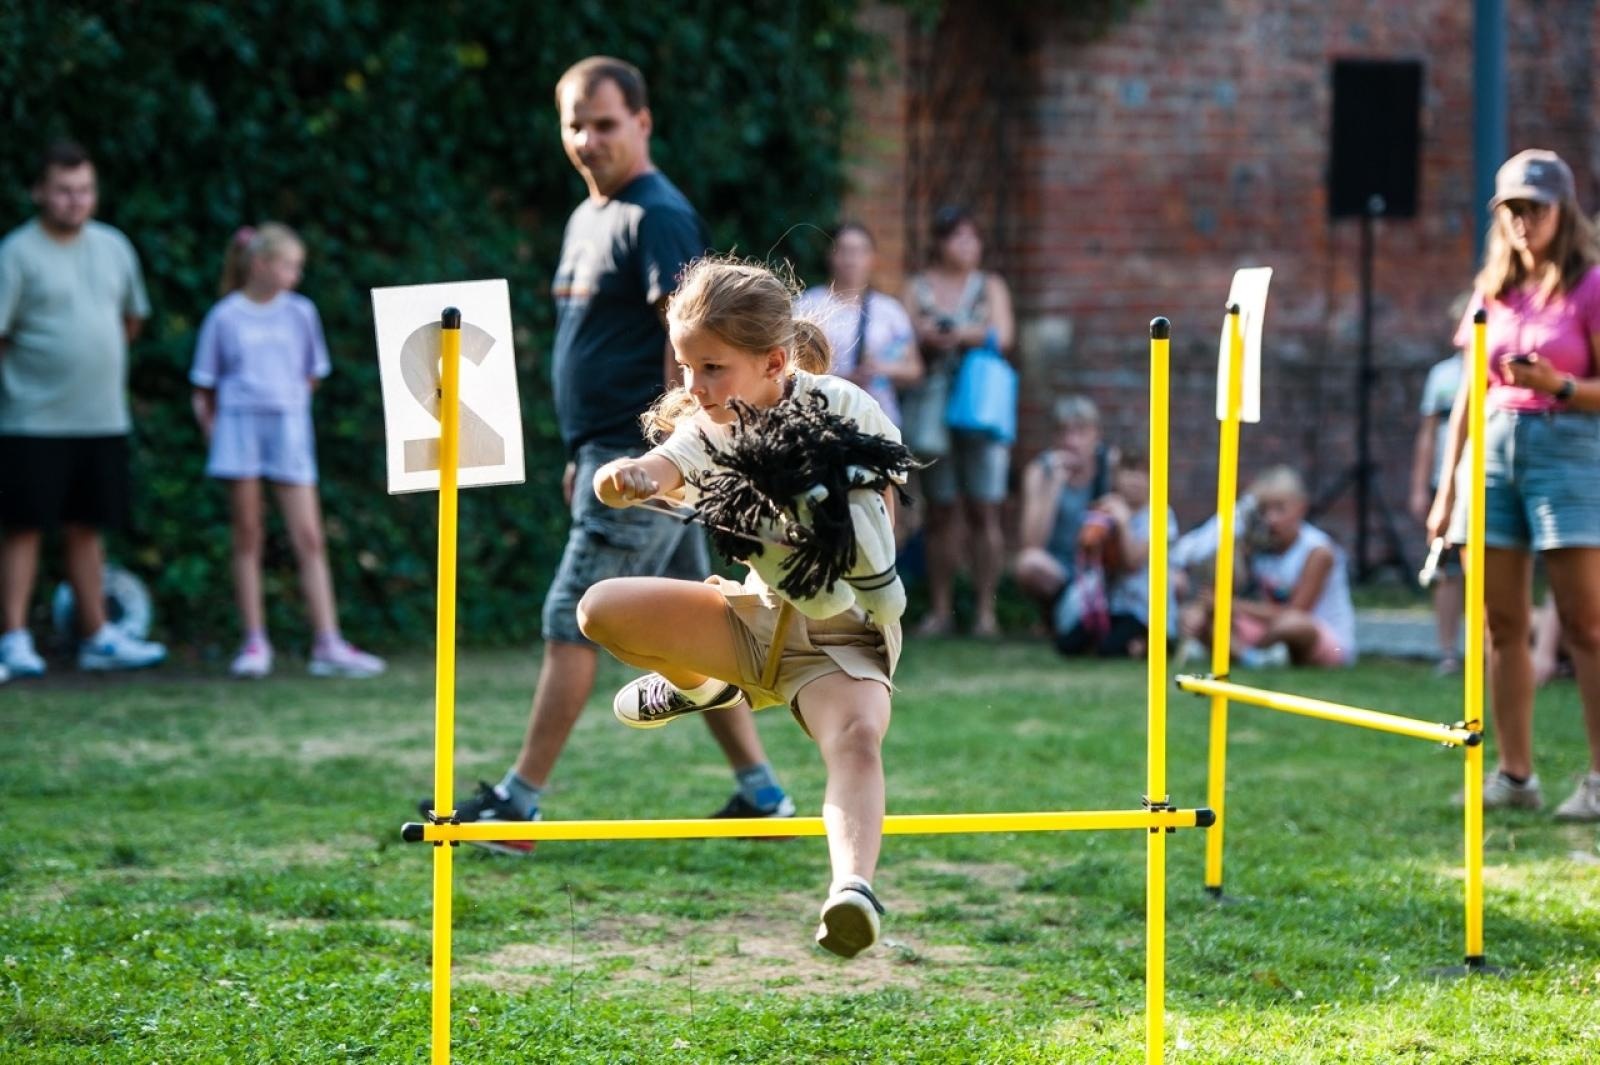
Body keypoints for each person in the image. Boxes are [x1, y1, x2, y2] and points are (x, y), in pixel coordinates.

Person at [426, 57, 793, 850]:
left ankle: (518, 807)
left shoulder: (656, 214)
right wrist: (576, 449)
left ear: (643, 123)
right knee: (701, 624)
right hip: (603, 449)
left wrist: (676, 456)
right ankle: (762, 794)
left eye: (605, 124)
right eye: (575, 125)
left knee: (573, 616)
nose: (588, 141)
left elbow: (688, 345)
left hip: (643, 460)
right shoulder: (588, 216)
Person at [578, 257, 902, 958]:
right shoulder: (708, 423)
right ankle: (710, 684)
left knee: (855, 742)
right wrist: (629, 478)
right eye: (685, 367)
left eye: (712, 368)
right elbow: (665, 465)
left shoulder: (843, 409)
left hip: (842, 637)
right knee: (600, 608)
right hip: (755, 622)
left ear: (775, 361)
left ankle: (852, 890)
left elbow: (882, 528)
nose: (694, 387)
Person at [1426, 148, 1600, 820]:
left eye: (1536, 208)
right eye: (1512, 210)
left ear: (1563, 210)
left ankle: (1597, 778)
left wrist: (1554, 384)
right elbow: (1469, 391)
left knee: (1586, 623)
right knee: (1501, 624)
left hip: (1569, 450)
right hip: (1492, 455)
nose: (1524, 221)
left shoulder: (1589, 286)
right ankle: (1515, 774)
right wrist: (1447, 489)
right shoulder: (1492, 288)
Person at [189, 223, 385, 679]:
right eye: (289, 264)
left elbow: (310, 374)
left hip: (289, 431)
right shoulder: (225, 316)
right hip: (238, 430)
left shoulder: (301, 313)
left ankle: (328, 643)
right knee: (248, 535)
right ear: (261, 265)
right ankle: (255, 642)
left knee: (310, 537)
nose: (296, 274)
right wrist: (216, 434)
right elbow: (205, 389)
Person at [0, 140, 166, 676]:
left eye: (85, 190)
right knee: (23, 527)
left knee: (87, 526)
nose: (76, 200)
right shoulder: (15, 253)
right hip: (30, 420)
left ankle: (98, 635)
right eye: (64, 191)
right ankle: (13, 640)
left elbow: (130, 321)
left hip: (100, 418)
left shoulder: (115, 247)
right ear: (39, 193)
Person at [905, 206, 1015, 638]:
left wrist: (962, 334)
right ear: (940, 242)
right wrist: (931, 336)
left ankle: (987, 612)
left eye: (973, 238)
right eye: (958, 238)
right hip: (933, 404)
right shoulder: (917, 287)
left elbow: (1003, 336)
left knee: (985, 508)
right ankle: (941, 609)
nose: (967, 246)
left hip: (980, 405)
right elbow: (906, 332)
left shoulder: (991, 285)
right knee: (940, 509)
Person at [1180, 466, 1356, 669]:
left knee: (1293, 624)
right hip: (1267, 629)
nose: (1271, 518)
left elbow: (1295, 611)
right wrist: (1201, 610)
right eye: (1264, 510)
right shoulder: (1258, 544)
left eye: (1280, 509)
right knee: (1193, 615)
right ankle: (1253, 658)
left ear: (1301, 507)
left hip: (1321, 638)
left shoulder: (1319, 551)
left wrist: (1227, 604)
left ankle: (1246, 653)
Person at [1054, 449, 1178, 659]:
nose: (1135, 480)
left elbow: (1132, 562)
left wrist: (1122, 521)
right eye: (1129, 472)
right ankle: (1130, 645)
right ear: (1117, 477)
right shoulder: (1107, 508)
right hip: (1112, 604)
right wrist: (1095, 529)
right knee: (1068, 644)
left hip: (1145, 611)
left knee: (1108, 650)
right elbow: (1085, 553)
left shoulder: (1162, 515)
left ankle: (1152, 644)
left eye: (1143, 474)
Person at [794, 221, 921, 428]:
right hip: (822, 415)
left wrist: (882, 369)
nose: (852, 259)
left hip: (878, 416)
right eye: (844, 250)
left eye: (860, 251)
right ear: (831, 256)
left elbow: (914, 368)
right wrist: (841, 378)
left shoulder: (890, 310)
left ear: (872, 258)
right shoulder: (808, 304)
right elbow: (792, 367)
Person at [1014, 395, 1115, 623]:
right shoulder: (1041, 471)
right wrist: (1054, 487)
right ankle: (1059, 618)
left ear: (1095, 434)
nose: (1071, 441)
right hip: (1059, 569)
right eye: (1063, 432)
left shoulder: (1109, 466)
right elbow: (1031, 543)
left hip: (1101, 567)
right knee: (1028, 563)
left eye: (1080, 432)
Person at [1410, 298, 1468, 675]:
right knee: (1445, 568)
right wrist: (1420, 487)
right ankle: (1446, 649)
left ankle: (1488, 648)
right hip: (1447, 482)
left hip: (1487, 481)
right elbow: (1427, 435)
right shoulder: (1443, 376)